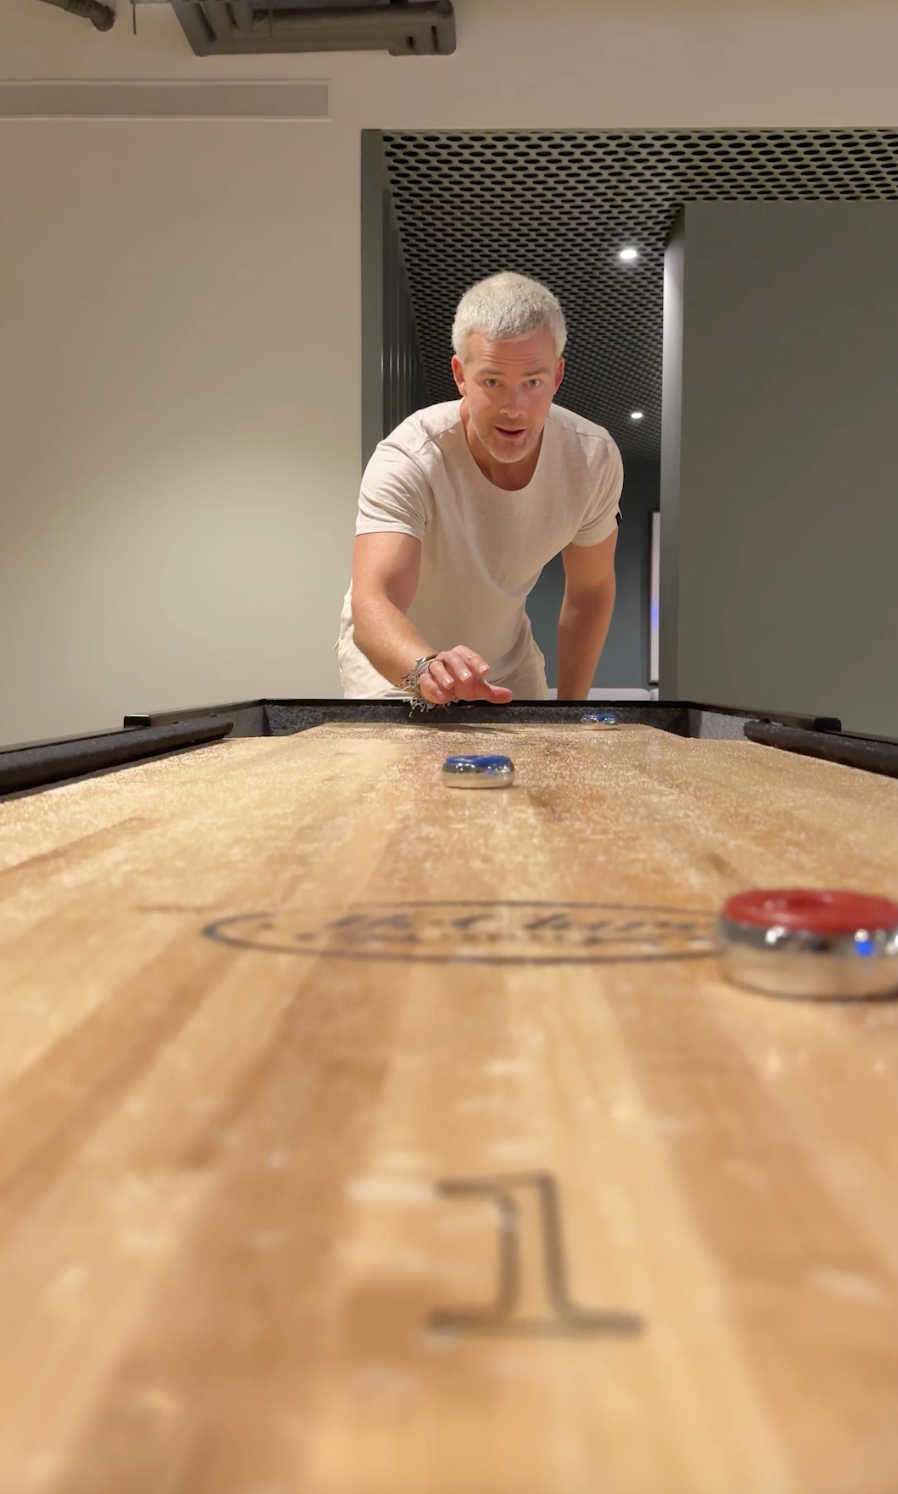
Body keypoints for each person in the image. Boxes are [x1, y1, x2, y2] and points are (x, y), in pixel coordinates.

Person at [336, 271, 623, 708]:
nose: (514, 407)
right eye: (492, 381)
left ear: (558, 376)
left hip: (506, 660)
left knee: (539, 770)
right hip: (397, 664)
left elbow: (590, 591)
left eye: (533, 382)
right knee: (399, 773)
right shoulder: (409, 457)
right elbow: (375, 602)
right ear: (460, 375)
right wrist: (425, 668)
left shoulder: (592, 459)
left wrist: (572, 711)